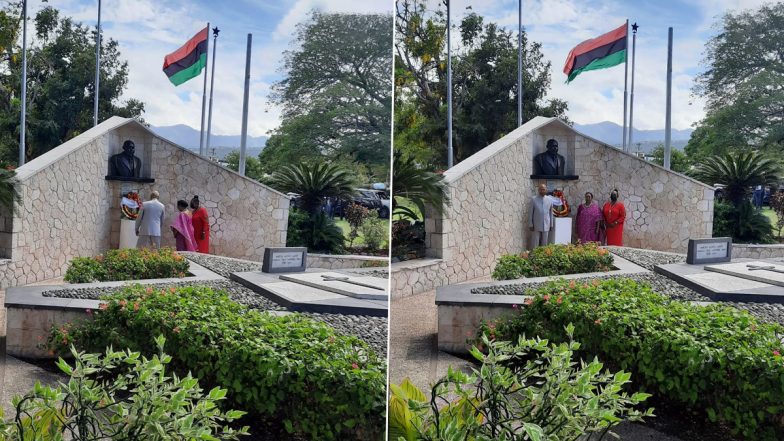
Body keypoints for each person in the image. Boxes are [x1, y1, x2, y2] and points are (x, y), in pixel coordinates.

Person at [528, 183, 554, 248]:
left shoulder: (550, 200)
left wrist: (551, 225)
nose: (542, 191)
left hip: (546, 224)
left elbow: (551, 213)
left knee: (544, 243)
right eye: (541, 189)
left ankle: (543, 256)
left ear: (546, 190)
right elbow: (530, 213)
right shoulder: (533, 199)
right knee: (535, 242)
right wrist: (530, 224)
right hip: (536, 225)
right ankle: (534, 256)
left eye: (544, 189)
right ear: (538, 190)